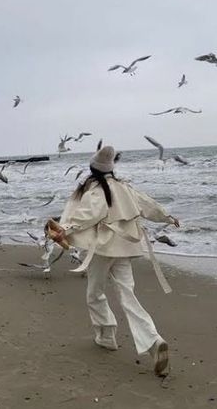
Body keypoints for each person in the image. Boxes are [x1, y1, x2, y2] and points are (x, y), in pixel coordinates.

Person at [56, 145, 179, 376]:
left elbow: (87, 215)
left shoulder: (94, 190)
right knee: (128, 296)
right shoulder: (124, 186)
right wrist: (168, 217)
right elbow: (147, 205)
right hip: (124, 249)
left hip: (102, 249)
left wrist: (64, 228)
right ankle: (154, 341)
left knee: (95, 293)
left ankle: (107, 336)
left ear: (92, 169)